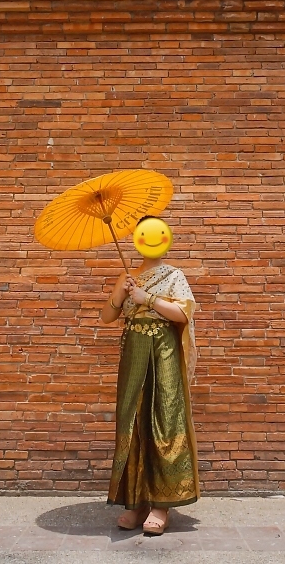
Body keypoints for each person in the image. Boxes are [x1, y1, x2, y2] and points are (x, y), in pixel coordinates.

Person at [101, 215, 199, 536]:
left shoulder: (173, 275)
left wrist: (149, 299)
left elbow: (183, 313)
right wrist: (120, 292)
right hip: (134, 351)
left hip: (163, 351)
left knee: (164, 419)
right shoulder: (128, 276)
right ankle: (136, 502)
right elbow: (107, 317)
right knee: (133, 420)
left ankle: (161, 505)